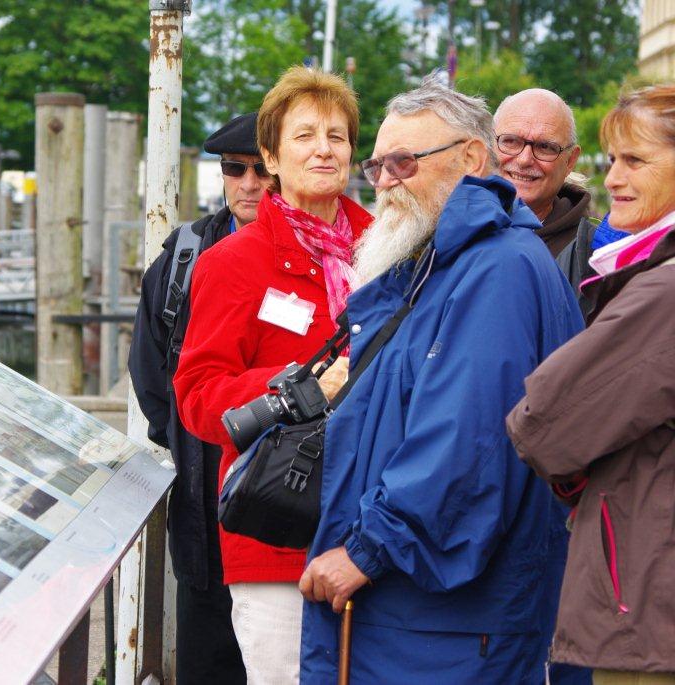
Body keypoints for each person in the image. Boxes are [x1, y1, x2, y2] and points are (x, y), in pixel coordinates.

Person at [298, 77, 584, 684]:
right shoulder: (445, 262)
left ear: (472, 159)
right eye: (377, 165)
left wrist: (366, 550)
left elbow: (469, 442)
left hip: (444, 624)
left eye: (404, 162)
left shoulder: (497, 268)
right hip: (422, 619)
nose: (385, 182)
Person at [173, 65, 372, 683]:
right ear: (271, 156)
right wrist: (299, 389)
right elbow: (197, 396)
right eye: (305, 135)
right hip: (277, 533)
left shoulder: (393, 250)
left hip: (378, 530)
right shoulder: (233, 262)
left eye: (336, 136)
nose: (324, 149)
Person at [507, 85, 675, 685]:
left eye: (635, 160)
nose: (616, 179)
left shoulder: (664, 288)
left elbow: (542, 422)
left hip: (648, 594)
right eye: (612, 161)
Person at [128, 112, 268, 684]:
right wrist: (190, 445)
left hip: (291, 513)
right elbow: (150, 375)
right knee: (207, 663)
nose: (250, 183)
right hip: (204, 517)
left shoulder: (328, 255)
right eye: (236, 169)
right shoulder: (180, 263)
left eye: (263, 170)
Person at [494, 89, 590, 256]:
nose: (524, 160)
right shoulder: (450, 232)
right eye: (511, 141)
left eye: (545, 147)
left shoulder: (593, 254)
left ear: (570, 161)